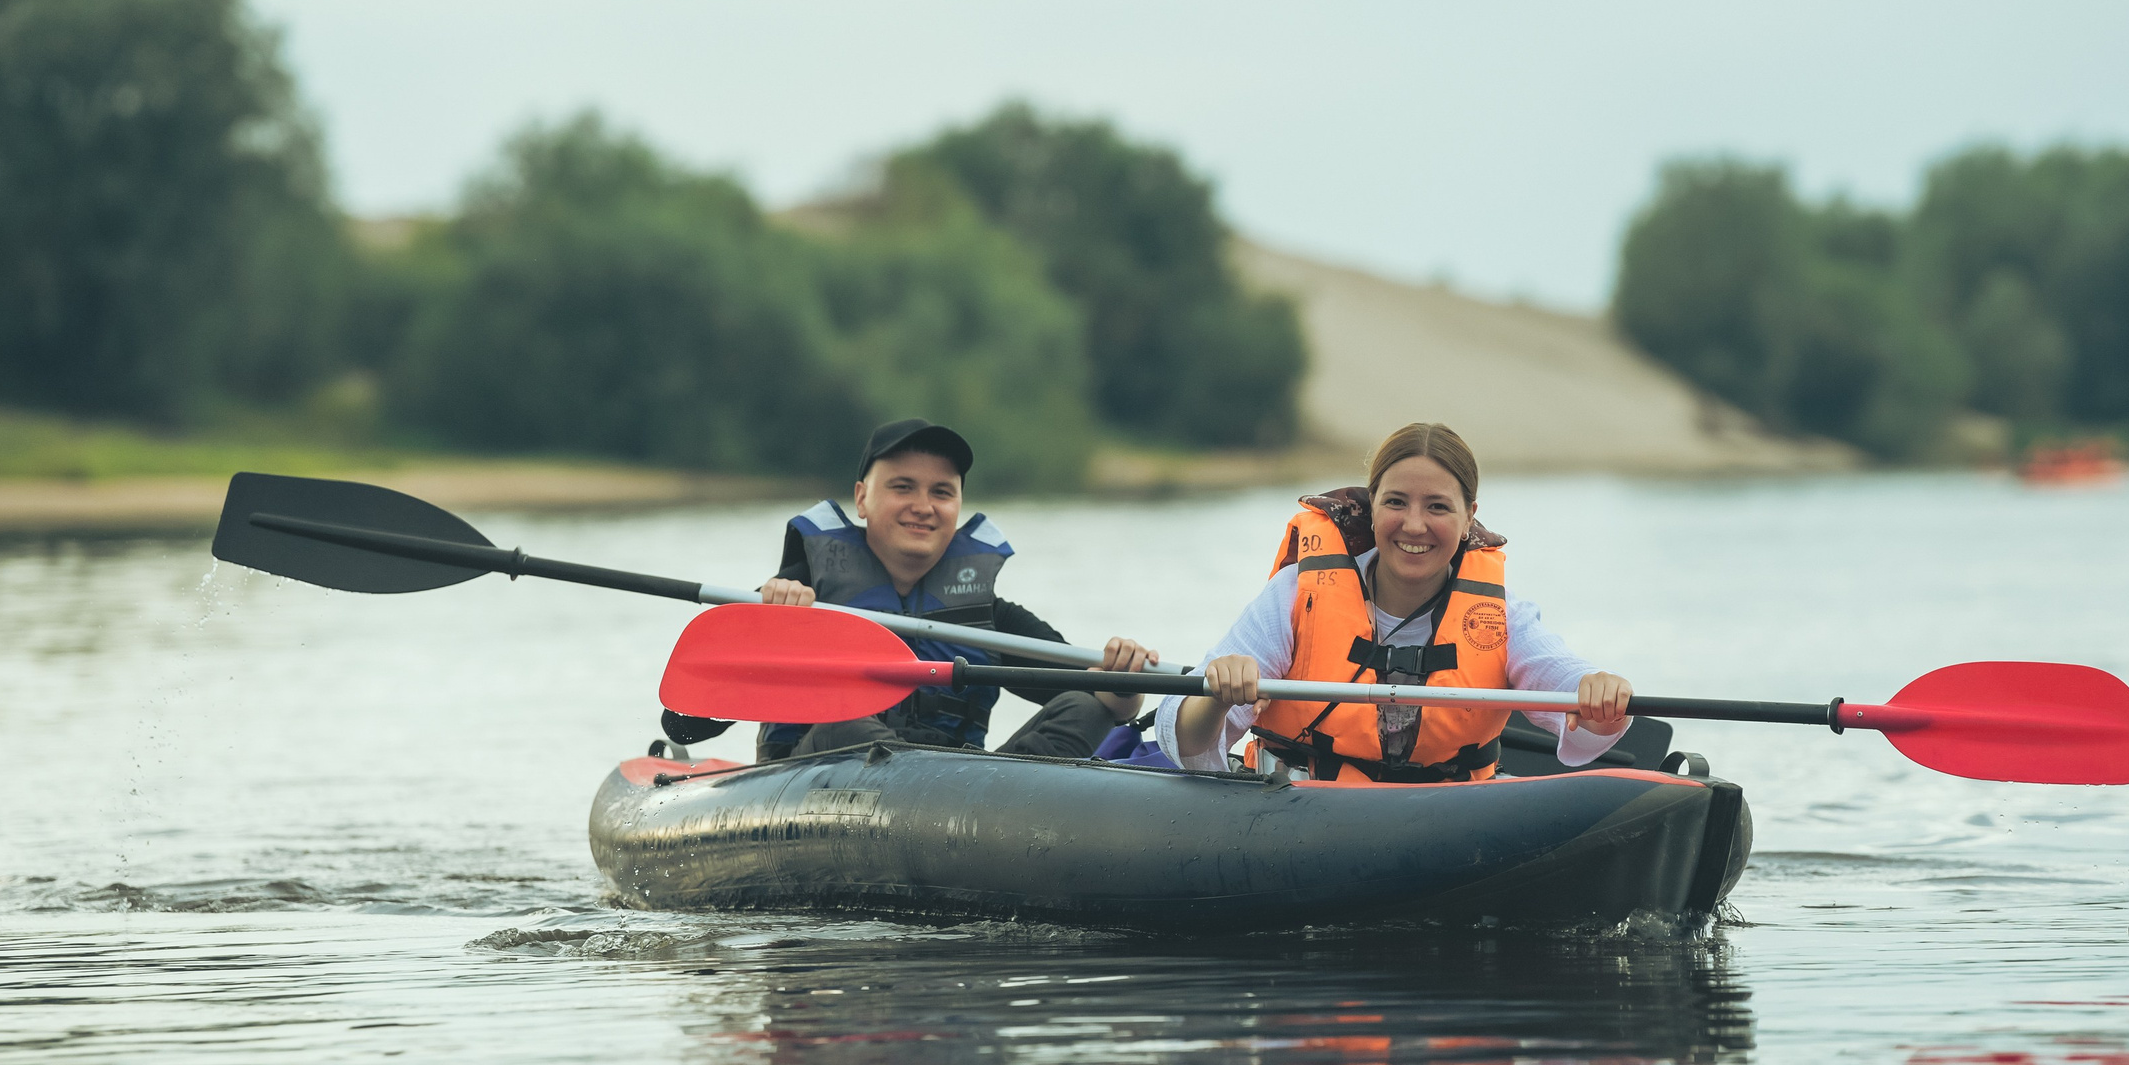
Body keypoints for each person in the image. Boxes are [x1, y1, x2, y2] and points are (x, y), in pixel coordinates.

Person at [661, 417, 1160, 761]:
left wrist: (1122, 683)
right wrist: (767, 636)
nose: (923, 505)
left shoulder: (989, 615)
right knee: (847, 724)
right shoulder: (793, 599)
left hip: (962, 795)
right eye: (903, 487)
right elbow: (683, 727)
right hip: (811, 781)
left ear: (958, 506)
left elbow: (1097, 696)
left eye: (941, 492)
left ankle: (999, 816)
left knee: (1083, 705)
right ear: (862, 498)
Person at [1160, 422, 1633, 781]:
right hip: (1294, 814)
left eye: (1437, 507)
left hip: (1448, 822)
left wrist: (1599, 693)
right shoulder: (1294, 595)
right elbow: (1185, 742)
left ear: (1470, 516)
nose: (1413, 525)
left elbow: (1576, 705)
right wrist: (1217, 696)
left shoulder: (1500, 617)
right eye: (1396, 502)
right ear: (1373, 504)